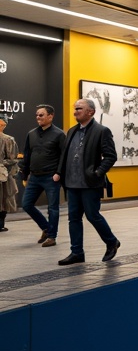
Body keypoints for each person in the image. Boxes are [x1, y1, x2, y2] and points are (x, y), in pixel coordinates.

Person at [56, 98, 120, 265]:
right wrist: (59, 173)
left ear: (90, 112)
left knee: (92, 216)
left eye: (79, 108)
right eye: (75, 109)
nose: (75, 111)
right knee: (73, 218)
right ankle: (76, 252)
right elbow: (65, 155)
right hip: (71, 183)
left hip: (90, 183)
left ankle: (111, 241)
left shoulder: (101, 131)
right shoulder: (71, 131)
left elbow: (111, 156)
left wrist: (98, 173)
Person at [19, 104, 66, 246]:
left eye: (41, 115)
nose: (38, 117)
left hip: (51, 177)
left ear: (50, 116)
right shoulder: (31, 134)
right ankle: (46, 228)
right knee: (26, 204)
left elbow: (64, 156)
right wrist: (24, 173)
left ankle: (52, 236)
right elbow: (27, 154)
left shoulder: (59, 134)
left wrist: (59, 173)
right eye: (37, 115)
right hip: (34, 176)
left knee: (53, 208)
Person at [0, 116, 17, 232]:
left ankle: (0, 223)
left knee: (3, 199)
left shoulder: (8, 140)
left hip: (2, 175)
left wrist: (1, 164)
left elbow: (12, 158)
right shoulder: (8, 139)